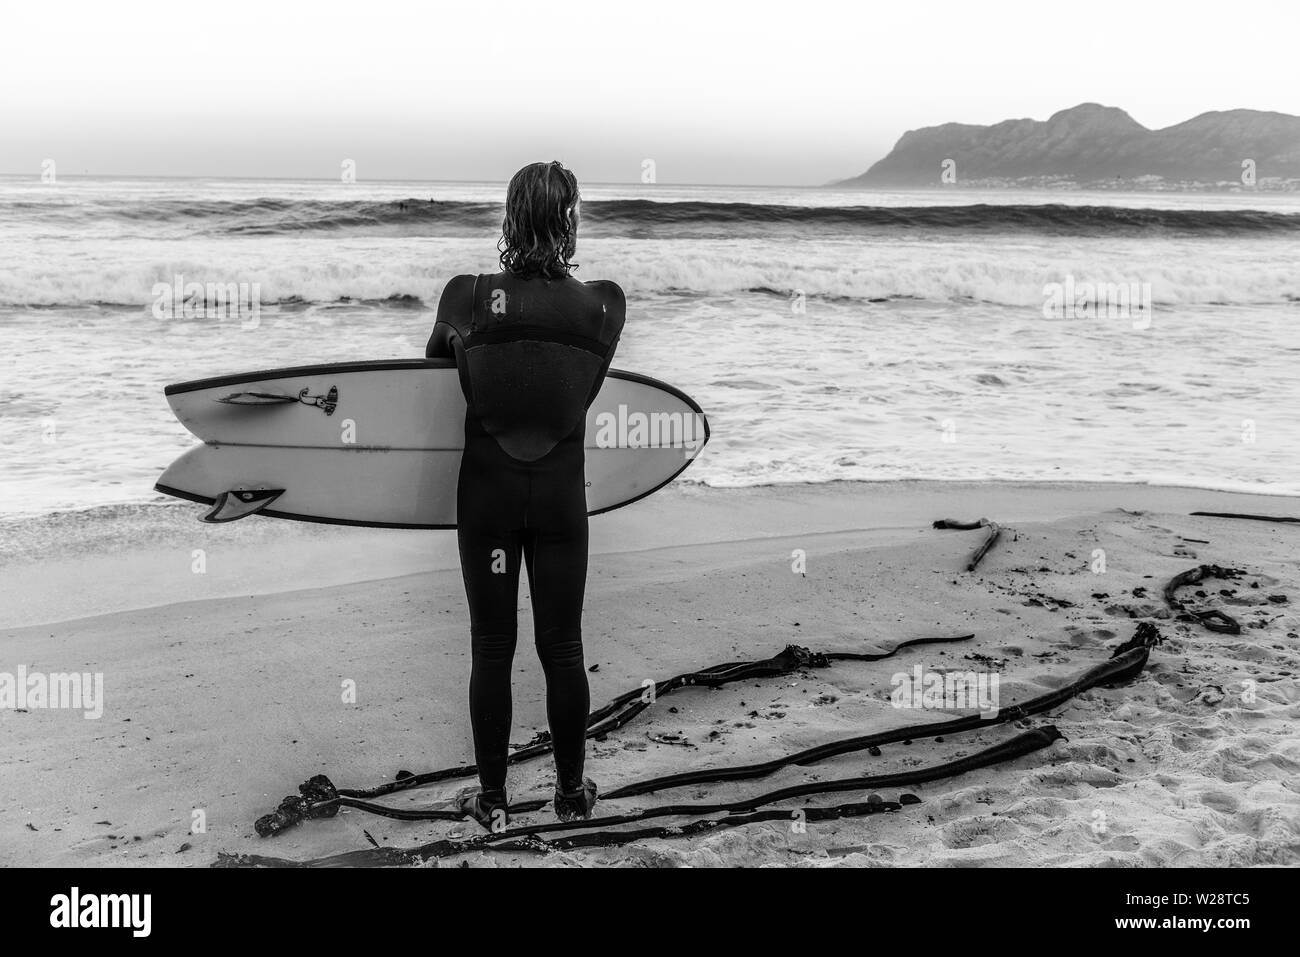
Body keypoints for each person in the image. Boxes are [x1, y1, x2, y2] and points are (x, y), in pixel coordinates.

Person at [426, 161, 625, 830]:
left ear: (510, 217)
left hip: (489, 495)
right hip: (561, 501)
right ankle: (572, 795)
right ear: (570, 221)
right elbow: (583, 389)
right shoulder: (604, 305)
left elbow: (431, 375)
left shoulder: (468, 296)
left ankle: (493, 801)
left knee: (492, 644)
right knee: (562, 645)